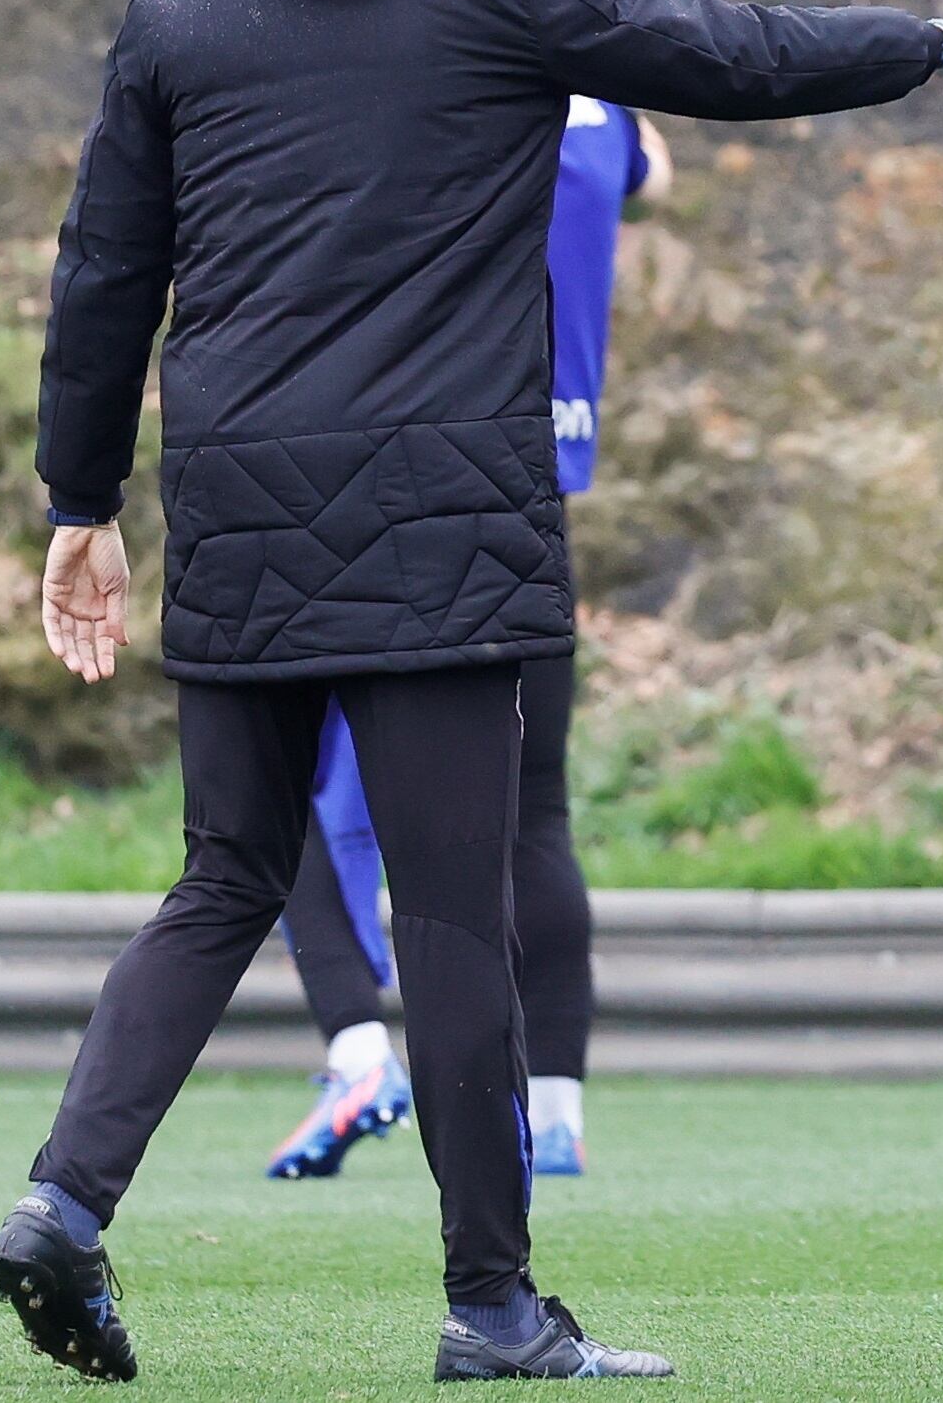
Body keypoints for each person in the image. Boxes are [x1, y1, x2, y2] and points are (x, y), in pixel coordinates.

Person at [0, 0, 943, 1384]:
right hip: (442, 521)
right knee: (451, 916)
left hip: (238, 508)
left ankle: (63, 1201)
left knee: (221, 874)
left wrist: (79, 501)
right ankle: (493, 1308)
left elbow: (101, 271)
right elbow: (728, 53)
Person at [264, 96, 669, 1184]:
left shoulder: (436, 86)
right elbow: (653, 176)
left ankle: (356, 1052)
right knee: (531, 813)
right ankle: (559, 1110)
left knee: (271, 792)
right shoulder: (608, 117)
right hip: (535, 499)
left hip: (388, 475)